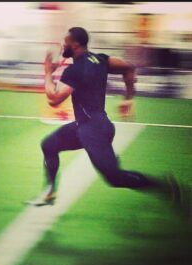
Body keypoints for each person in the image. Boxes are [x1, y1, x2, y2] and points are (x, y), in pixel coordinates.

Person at [27, 27, 189, 215]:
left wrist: (48, 73)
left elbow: (54, 100)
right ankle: (49, 193)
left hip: (92, 130)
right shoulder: (101, 60)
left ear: (76, 44)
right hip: (87, 126)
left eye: (66, 42)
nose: (63, 45)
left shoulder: (75, 70)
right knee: (48, 145)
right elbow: (129, 68)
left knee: (115, 178)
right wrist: (128, 98)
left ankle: (165, 187)